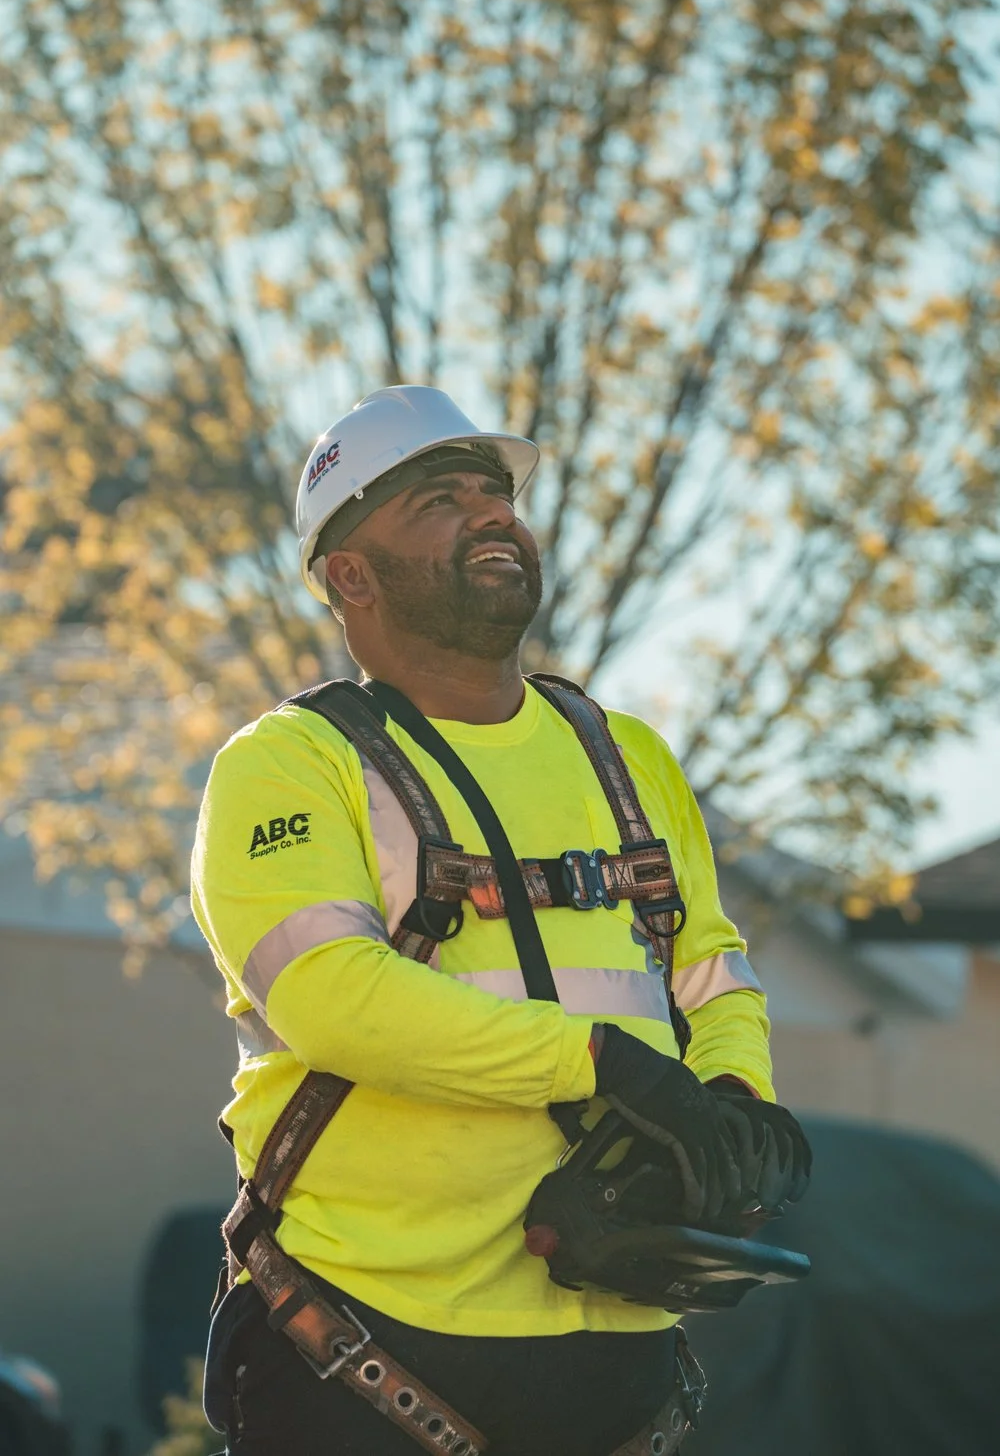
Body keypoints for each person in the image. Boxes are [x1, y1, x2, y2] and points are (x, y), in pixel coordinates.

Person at [191, 385, 810, 1456]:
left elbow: (709, 973)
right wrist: (603, 1063)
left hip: (618, 1349)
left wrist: (729, 1096)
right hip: (356, 1341)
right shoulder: (288, 765)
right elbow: (339, 1000)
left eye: (497, 495)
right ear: (350, 574)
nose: (492, 516)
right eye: (439, 501)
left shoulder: (626, 757)